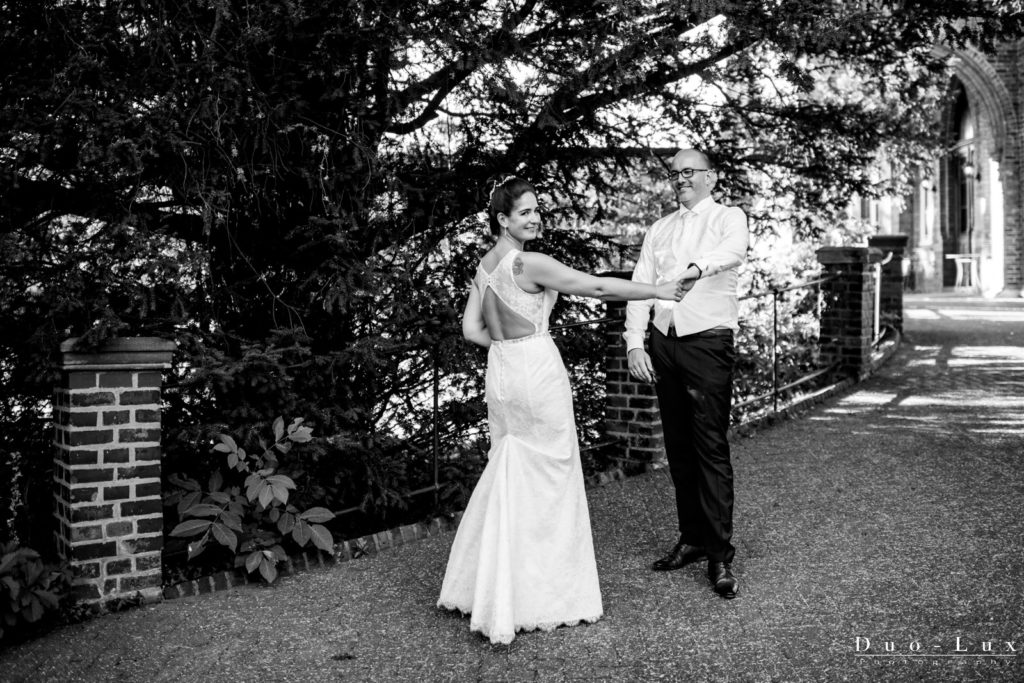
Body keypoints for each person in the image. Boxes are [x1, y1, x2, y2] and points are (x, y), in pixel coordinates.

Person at [437, 176, 687, 644]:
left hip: (502, 372)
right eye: (525, 212)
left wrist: (508, 345)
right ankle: (544, 596)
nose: (535, 218)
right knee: (552, 475)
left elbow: (471, 330)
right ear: (502, 220)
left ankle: (494, 589)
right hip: (535, 370)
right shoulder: (528, 263)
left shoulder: (485, 266)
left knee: (511, 470)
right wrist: (660, 290)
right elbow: (594, 286)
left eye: (537, 210)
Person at [624, 148, 749, 599]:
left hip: (707, 343)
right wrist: (635, 342)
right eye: (675, 173)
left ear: (711, 177)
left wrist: (696, 270)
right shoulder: (659, 229)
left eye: (689, 171)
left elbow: (732, 253)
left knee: (710, 448)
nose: (680, 178)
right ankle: (693, 538)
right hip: (664, 344)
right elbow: (641, 286)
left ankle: (719, 552)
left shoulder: (728, 218)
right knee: (677, 448)